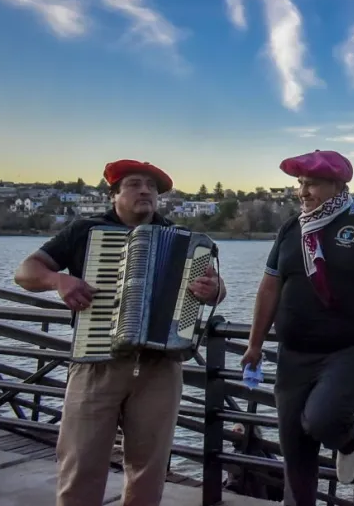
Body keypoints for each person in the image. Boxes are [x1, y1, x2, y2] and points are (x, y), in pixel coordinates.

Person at [13, 159, 226, 506]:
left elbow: (217, 291)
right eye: (134, 184)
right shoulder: (85, 231)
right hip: (97, 361)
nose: (145, 191)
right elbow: (25, 272)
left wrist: (212, 289)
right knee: (80, 463)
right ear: (113, 194)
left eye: (152, 187)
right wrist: (59, 280)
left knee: (149, 470)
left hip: (160, 365)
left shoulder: (184, 239)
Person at [240, 150, 354, 505]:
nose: (303, 192)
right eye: (300, 183)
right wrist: (254, 346)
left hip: (347, 352)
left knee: (321, 421)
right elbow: (270, 287)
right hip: (293, 356)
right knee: (296, 459)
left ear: (338, 184)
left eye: (312, 183)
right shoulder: (291, 229)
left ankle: (347, 436)